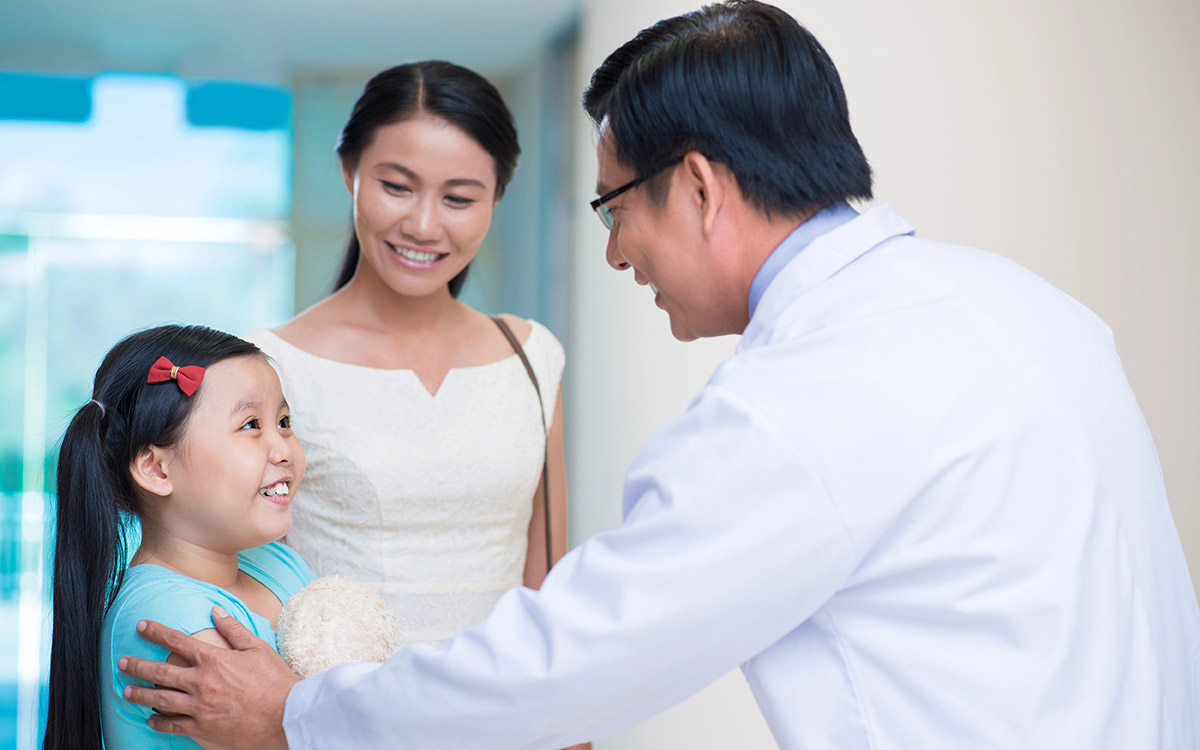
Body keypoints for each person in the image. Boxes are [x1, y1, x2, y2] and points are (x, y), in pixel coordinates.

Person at [120, 2, 1200, 748]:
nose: (614, 254)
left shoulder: (797, 403)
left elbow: (575, 651)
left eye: (615, 208)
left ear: (696, 187)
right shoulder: (1034, 309)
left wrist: (300, 718)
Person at [242, 60, 569, 648]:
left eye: (460, 198)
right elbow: (242, 580)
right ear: (349, 173)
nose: (422, 225)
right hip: (342, 718)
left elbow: (546, 584)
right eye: (396, 187)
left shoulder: (531, 357)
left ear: (497, 197)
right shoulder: (269, 367)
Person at [42, 324, 315, 750]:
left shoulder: (273, 561)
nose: (283, 448)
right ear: (157, 469)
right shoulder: (168, 617)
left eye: (283, 421)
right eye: (250, 425)